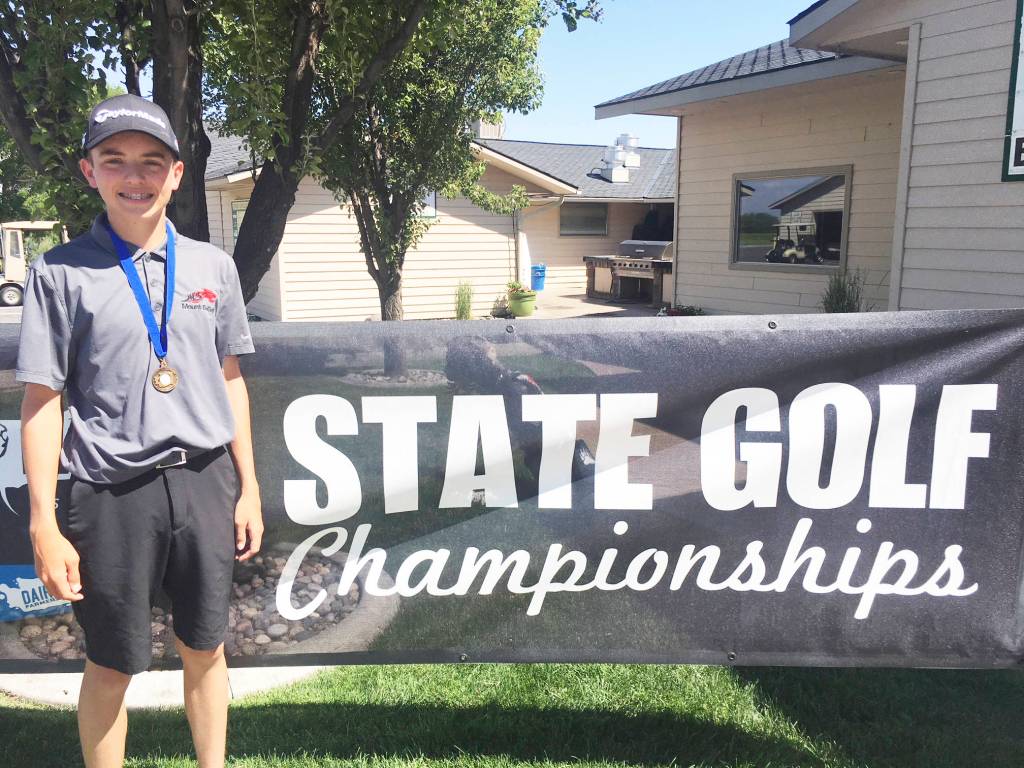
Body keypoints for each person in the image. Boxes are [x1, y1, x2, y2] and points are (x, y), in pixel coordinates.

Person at [16, 93, 263, 768]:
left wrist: (248, 488)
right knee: (112, 663)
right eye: (115, 160)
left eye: (152, 162)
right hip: (109, 493)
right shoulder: (58, 272)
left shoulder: (213, 268)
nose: (135, 176)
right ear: (89, 170)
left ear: (177, 174)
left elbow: (230, 379)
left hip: (205, 479)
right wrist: (44, 522)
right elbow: (43, 401)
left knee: (206, 647)